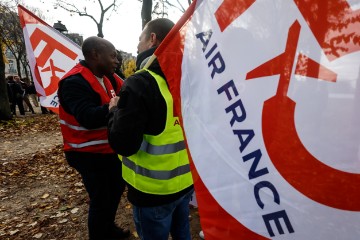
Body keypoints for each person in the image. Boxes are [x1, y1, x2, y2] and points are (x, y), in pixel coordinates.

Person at [108, 18, 194, 240]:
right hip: (185, 183)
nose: (137, 46)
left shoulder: (140, 82)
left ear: (152, 39)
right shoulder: (191, 79)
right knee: (182, 233)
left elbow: (124, 144)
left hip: (152, 191)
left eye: (140, 39)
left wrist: (114, 112)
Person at [58, 36, 129, 240]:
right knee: (101, 197)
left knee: (116, 189)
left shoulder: (109, 77)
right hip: (85, 153)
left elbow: (128, 88)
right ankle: (100, 234)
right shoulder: (74, 82)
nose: (117, 61)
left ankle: (107, 227)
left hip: (108, 150)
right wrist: (112, 108)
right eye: (113, 56)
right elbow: (87, 117)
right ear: (95, 55)